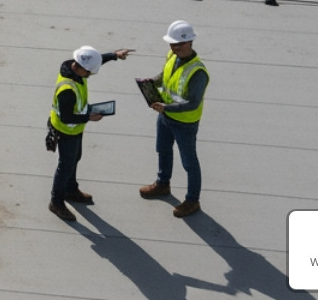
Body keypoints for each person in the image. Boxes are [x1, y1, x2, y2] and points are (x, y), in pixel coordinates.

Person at [48, 44, 132, 219]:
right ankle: (56, 202)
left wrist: (114, 55)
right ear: (81, 68)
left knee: (75, 158)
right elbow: (66, 117)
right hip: (66, 131)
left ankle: (71, 190)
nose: (90, 75)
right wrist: (89, 117)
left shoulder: (74, 67)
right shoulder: (67, 90)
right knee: (65, 166)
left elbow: (95, 59)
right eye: (90, 72)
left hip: (75, 130)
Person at [140, 20, 210, 218]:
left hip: (184, 123)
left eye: (177, 44)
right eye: (171, 44)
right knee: (162, 150)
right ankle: (162, 184)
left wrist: (166, 107)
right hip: (165, 116)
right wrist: (151, 82)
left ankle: (192, 200)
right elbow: (165, 74)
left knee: (189, 162)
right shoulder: (173, 55)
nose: (173, 48)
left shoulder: (198, 72)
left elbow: (193, 103)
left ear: (189, 42)